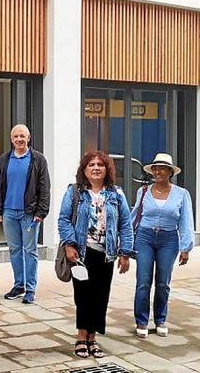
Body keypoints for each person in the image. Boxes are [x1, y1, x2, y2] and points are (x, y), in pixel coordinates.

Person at [57, 151, 134, 359]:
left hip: (106, 254)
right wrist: (69, 245)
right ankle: (81, 336)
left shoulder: (116, 194)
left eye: (100, 164)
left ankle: (93, 338)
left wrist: (125, 253)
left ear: (107, 169)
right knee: (83, 296)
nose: (96, 167)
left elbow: (125, 224)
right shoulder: (74, 192)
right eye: (91, 164)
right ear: (84, 170)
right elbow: (64, 219)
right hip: (81, 253)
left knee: (101, 297)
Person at [131, 153, 194, 338]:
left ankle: (160, 319)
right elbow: (135, 216)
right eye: (155, 168)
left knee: (163, 282)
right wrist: (125, 241)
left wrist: (186, 247)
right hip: (145, 237)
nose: (157, 171)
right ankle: (141, 321)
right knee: (143, 281)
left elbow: (186, 221)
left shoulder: (181, 194)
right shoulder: (142, 191)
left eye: (162, 168)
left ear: (169, 172)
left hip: (169, 240)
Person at [0, 124, 50, 303]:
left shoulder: (38, 159)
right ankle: (19, 285)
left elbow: (44, 187)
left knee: (30, 251)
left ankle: (30, 289)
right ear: (11, 139)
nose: (19, 139)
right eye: (16, 136)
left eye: (22, 136)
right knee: (14, 250)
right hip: (9, 212)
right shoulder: (4, 159)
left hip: (30, 213)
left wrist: (41, 211)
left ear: (29, 137)